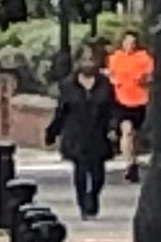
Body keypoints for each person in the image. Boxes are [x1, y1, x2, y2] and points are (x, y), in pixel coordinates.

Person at [45, 46, 118, 219]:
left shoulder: (105, 84)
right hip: (76, 134)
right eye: (84, 60)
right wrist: (52, 132)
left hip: (98, 133)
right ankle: (85, 205)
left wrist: (113, 127)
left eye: (91, 60)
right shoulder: (68, 85)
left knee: (98, 174)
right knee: (81, 170)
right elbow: (62, 111)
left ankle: (93, 196)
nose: (88, 64)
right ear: (78, 63)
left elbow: (111, 109)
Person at [105, 31, 154, 182]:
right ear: (123, 43)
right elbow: (109, 74)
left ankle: (133, 159)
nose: (130, 45)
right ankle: (129, 164)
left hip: (139, 100)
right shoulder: (115, 58)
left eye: (133, 42)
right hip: (121, 100)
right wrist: (111, 80)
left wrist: (144, 80)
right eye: (127, 42)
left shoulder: (144, 58)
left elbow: (151, 76)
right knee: (127, 131)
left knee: (135, 135)